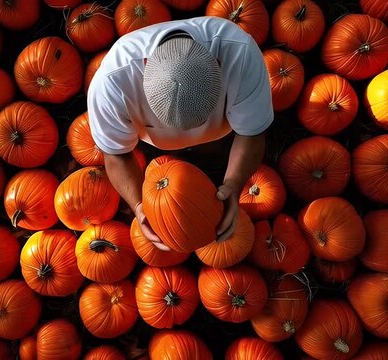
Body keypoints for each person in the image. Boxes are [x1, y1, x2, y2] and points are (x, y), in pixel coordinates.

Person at [87, 16, 273, 251]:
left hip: (223, 139)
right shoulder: (112, 83)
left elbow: (251, 133)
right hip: (152, 145)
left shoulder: (241, 55)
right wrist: (139, 205)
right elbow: (116, 154)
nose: (189, 132)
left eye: (201, 119)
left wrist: (234, 185)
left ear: (218, 63)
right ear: (145, 66)